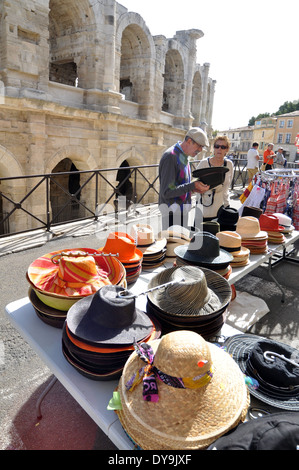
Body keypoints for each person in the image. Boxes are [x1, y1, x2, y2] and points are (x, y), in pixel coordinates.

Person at [158, 127, 210, 230]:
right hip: (171, 214)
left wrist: (193, 189)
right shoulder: (171, 156)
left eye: (202, 147)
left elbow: (179, 185)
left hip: (181, 211)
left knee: (180, 244)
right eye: (199, 146)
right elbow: (167, 192)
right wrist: (192, 185)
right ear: (189, 141)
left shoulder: (184, 156)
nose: (200, 150)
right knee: (174, 245)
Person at [194, 135, 234, 222]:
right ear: (213, 148)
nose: (219, 149)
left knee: (219, 234)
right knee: (201, 234)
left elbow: (227, 186)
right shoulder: (204, 163)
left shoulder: (229, 165)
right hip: (204, 205)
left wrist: (226, 204)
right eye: (217, 146)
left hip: (222, 205)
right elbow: (194, 183)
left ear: (227, 150)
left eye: (223, 147)